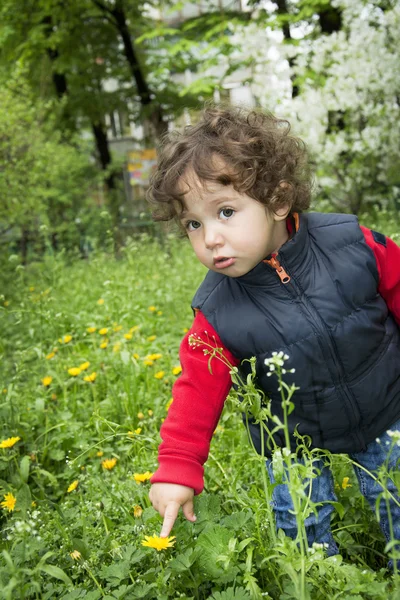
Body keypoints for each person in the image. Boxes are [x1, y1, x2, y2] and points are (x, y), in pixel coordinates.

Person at [146, 105, 400, 561]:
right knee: (301, 526)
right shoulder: (217, 310)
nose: (210, 239)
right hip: (293, 433)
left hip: (385, 405)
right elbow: (196, 388)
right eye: (194, 224)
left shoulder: (352, 243)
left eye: (226, 212)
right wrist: (177, 467)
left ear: (278, 201)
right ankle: (321, 578)